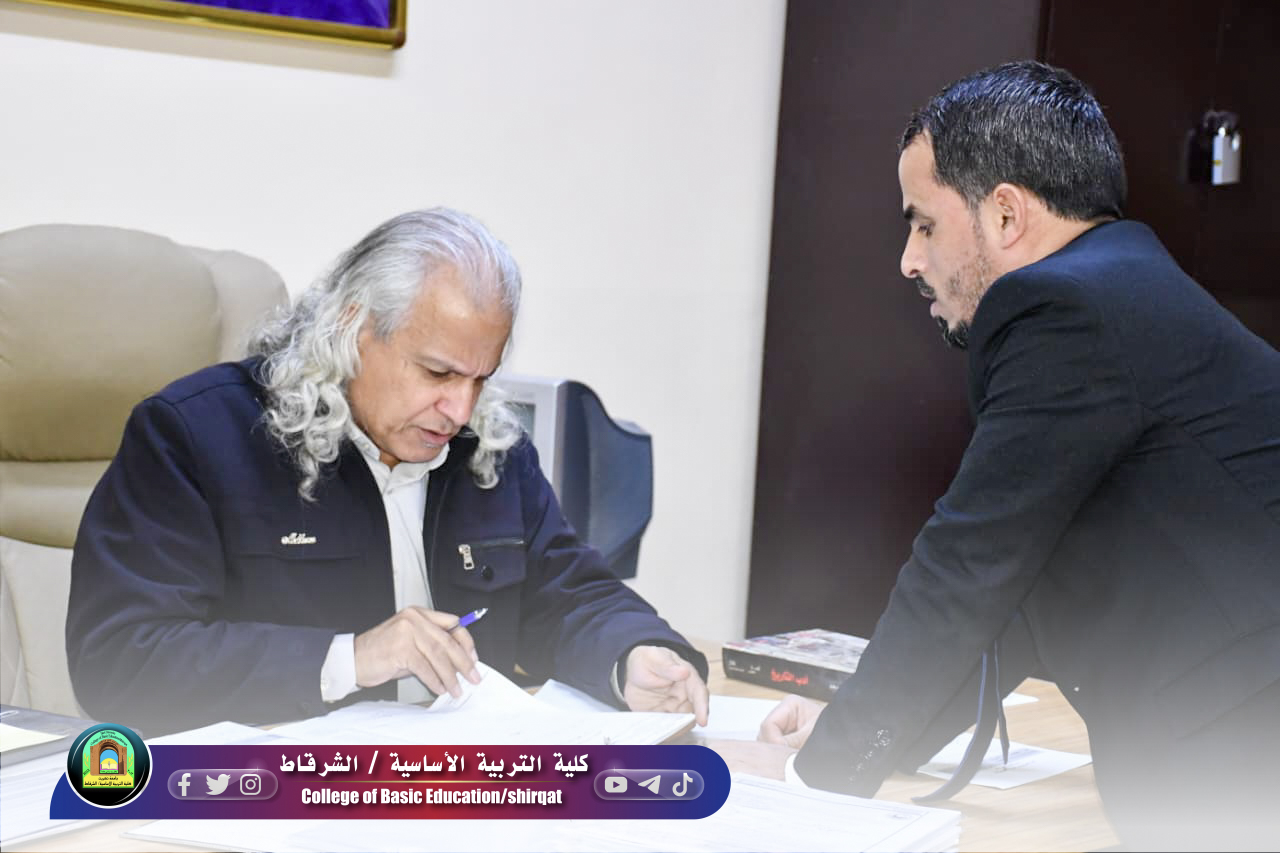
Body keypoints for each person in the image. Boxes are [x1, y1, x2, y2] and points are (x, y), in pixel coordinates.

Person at [738, 61, 1280, 851]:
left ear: (1004, 213)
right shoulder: (1122, 287)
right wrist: (855, 733)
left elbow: (964, 566)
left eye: (925, 224)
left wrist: (808, 782)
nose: (909, 259)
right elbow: (1017, 598)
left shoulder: (1064, 309)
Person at [66, 208, 709, 736]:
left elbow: (569, 594)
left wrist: (634, 655)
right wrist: (350, 659)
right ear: (351, 329)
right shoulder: (197, 436)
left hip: (460, 794)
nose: (460, 410)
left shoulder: (487, 446)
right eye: (438, 372)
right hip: (270, 799)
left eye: (479, 378)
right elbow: (120, 660)